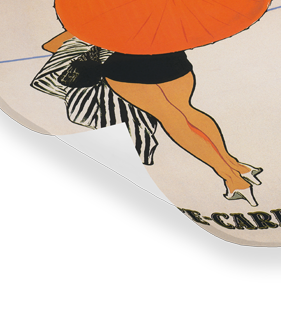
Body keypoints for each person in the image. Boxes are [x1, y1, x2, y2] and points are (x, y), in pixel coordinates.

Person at [40, 31, 262, 205]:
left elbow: (51, 46)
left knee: (170, 118)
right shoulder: (157, 4)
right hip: (170, 60)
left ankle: (233, 180)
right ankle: (238, 166)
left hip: (125, 68)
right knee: (187, 110)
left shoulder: (102, 17)